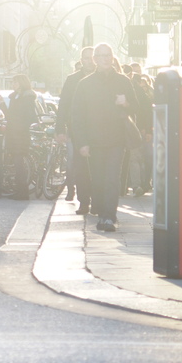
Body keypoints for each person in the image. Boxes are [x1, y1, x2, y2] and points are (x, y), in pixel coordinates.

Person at [72, 43, 139, 232]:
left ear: (112, 57)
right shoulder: (85, 83)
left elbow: (137, 107)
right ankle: (102, 211)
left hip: (116, 140)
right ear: (95, 60)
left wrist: (126, 103)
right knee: (99, 179)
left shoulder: (123, 81)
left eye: (108, 55)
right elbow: (77, 116)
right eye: (100, 55)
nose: (105, 58)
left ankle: (109, 217)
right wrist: (82, 143)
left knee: (112, 178)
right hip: (94, 141)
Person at [55, 47, 95, 212]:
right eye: (86, 58)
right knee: (80, 167)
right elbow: (63, 104)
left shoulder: (102, 78)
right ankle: (84, 202)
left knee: (98, 168)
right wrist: (60, 129)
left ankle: (98, 201)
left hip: (99, 130)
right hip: (77, 130)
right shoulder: (73, 79)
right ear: (81, 60)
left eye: (92, 58)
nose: (90, 61)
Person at [0, 74, 38, 200]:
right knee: (17, 163)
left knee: (19, 163)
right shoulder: (15, 96)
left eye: (15, 82)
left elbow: (26, 116)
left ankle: (23, 192)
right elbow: (11, 116)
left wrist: (3, 106)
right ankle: (20, 190)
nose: (13, 84)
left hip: (20, 134)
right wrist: (3, 105)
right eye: (12, 82)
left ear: (21, 83)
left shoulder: (26, 98)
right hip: (14, 134)